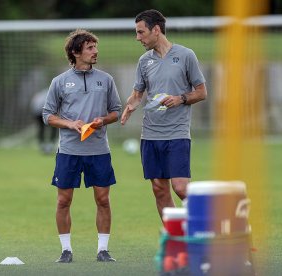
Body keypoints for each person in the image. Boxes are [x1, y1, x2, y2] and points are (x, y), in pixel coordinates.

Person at [43, 29, 122, 263]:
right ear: (76, 52)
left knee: (103, 199)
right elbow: (47, 115)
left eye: (95, 47)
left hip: (99, 151)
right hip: (68, 152)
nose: (95, 51)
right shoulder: (59, 82)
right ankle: (66, 250)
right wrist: (69, 124)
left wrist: (102, 120)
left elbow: (116, 112)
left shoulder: (106, 79)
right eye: (90, 48)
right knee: (63, 201)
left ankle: (103, 250)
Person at [121, 9, 207, 220]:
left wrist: (180, 99)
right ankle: (176, 240)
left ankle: (207, 227)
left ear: (156, 30)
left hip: (177, 133)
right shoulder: (144, 61)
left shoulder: (186, 55)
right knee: (160, 189)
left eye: (141, 32)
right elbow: (137, 94)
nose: (138, 37)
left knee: (181, 187)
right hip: (150, 135)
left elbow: (202, 92)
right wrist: (130, 105)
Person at [30, 88, 58, 154]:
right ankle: (50, 144)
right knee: (53, 127)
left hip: (38, 112)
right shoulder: (53, 94)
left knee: (41, 128)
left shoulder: (40, 94)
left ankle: (43, 144)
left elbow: (34, 104)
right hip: (43, 112)